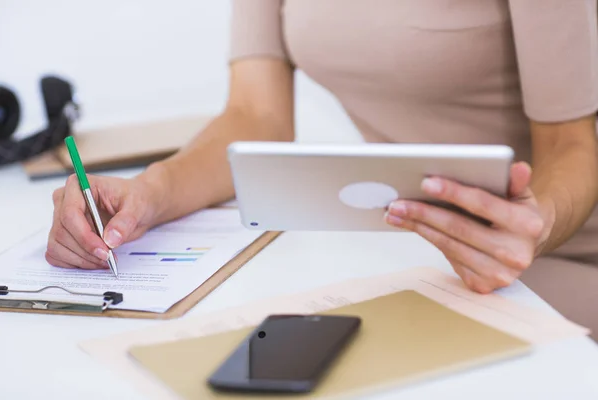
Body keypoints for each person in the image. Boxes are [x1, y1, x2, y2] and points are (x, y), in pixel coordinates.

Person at [46, 1, 598, 338]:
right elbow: (255, 114)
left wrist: (534, 226)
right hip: (411, 248)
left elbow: (573, 145)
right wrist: (148, 191)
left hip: (556, 248)